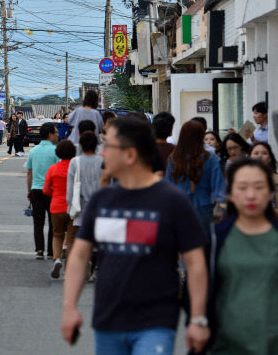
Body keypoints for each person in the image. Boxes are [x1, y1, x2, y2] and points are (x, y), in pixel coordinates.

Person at [61, 117, 210, 354]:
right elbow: (79, 256)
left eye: (108, 146)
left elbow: (195, 262)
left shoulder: (172, 201)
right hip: (108, 322)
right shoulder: (102, 200)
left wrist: (198, 318)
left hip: (156, 322)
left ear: (130, 155)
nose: (102, 154)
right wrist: (70, 307)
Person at [205, 158, 278, 354]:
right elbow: (199, 290)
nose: (251, 195)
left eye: (259, 187)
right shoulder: (216, 238)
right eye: (242, 187)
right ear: (230, 194)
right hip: (226, 345)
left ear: (270, 194)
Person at [166, 120, 226, 232]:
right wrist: (223, 209)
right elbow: (219, 188)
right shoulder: (210, 158)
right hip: (204, 206)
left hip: (180, 207)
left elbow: (168, 188)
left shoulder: (173, 158)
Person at [66, 131, 103, 281]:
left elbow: (70, 188)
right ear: (97, 145)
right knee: (97, 240)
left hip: (81, 206)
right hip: (99, 206)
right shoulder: (103, 161)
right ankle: (95, 269)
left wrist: (70, 206)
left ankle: (83, 266)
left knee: (82, 239)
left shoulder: (76, 162)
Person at [43, 139, 77, 279]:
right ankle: (69, 266)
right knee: (71, 238)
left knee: (57, 235)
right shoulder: (76, 168)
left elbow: (46, 190)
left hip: (56, 206)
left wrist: (54, 195)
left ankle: (57, 259)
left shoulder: (53, 168)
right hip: (73, 207)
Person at [26, 122, 60, 259]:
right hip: (52, 191)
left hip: (36, 190)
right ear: (50, 134)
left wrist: (29, 190)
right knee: (53, 222)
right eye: (56, 132)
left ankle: (39, 250)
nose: (58, 135)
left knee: (38, 222)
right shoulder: (56, 151)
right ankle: (52, 251)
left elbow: (29, 173)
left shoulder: (33, 151)